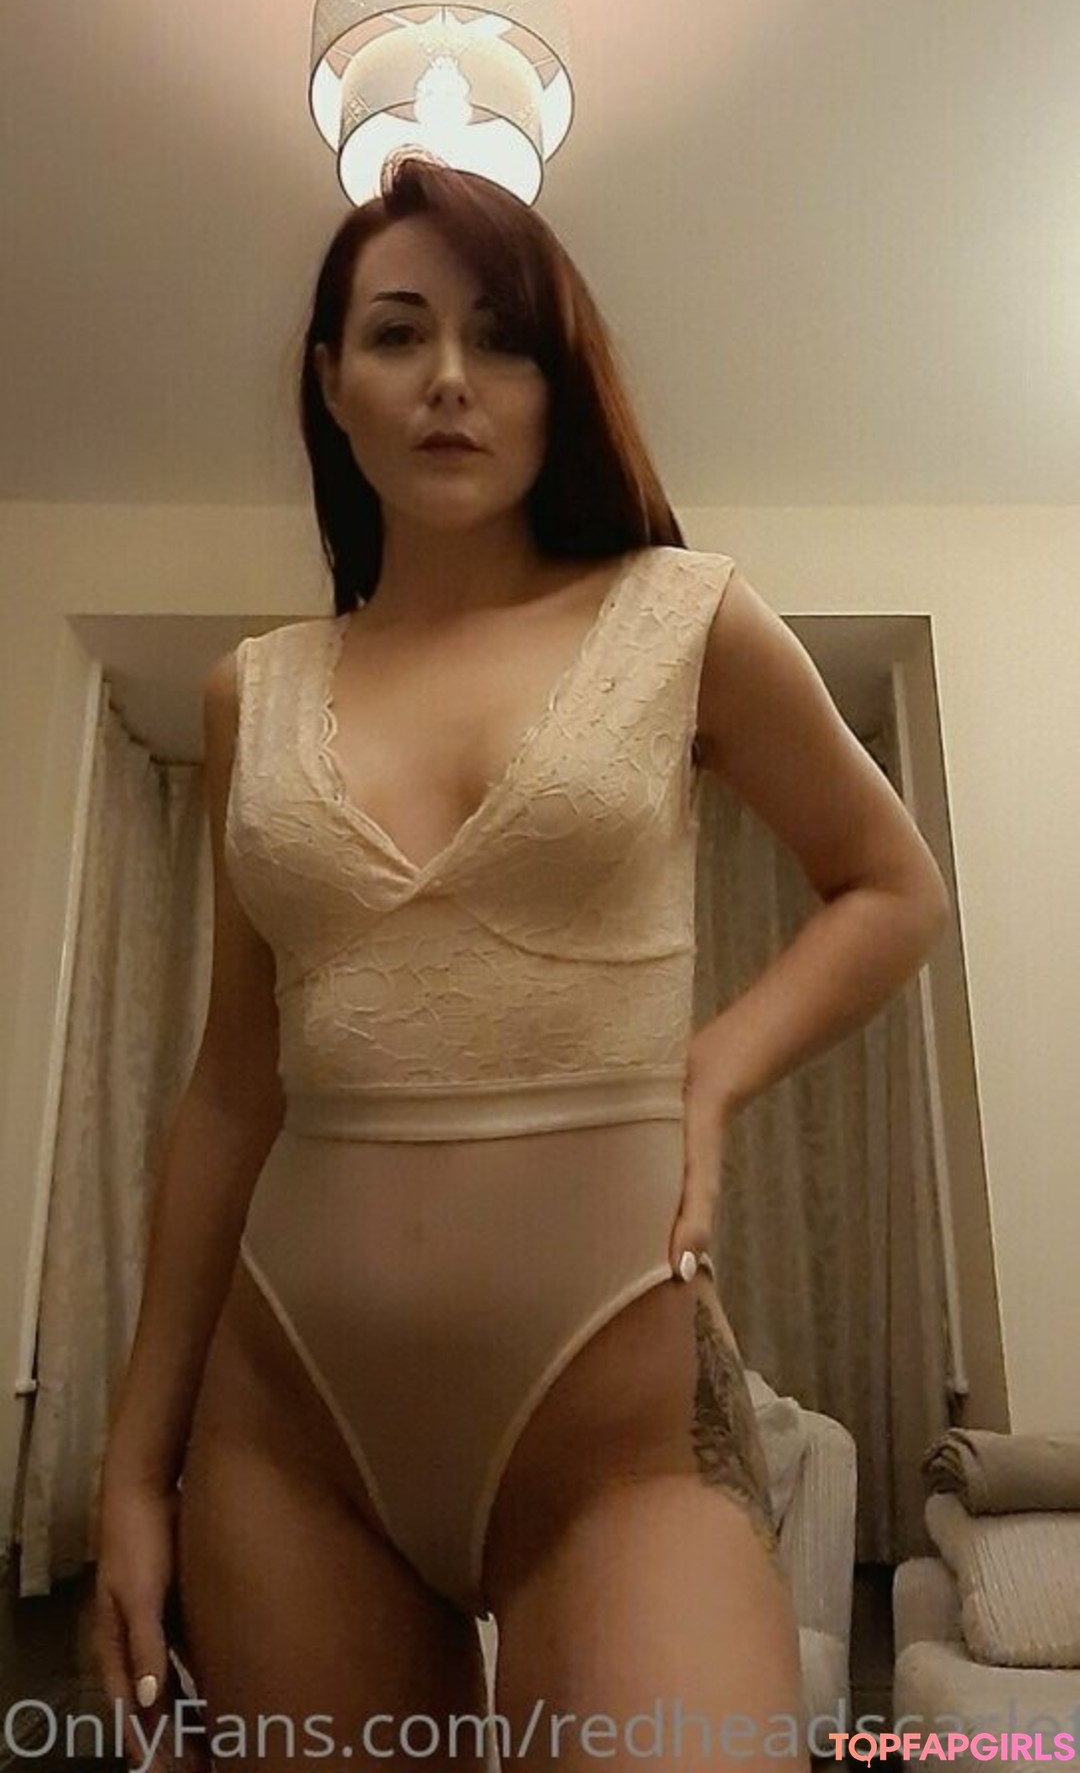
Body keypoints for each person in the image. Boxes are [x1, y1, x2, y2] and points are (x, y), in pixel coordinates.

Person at [93, 152, 949, 1772]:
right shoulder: (249, 693)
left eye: (502, 337)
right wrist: (134, 1470)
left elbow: (890, 887)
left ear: (562, 380)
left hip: (613, 1424)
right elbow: (231, 1087)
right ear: (331, 383)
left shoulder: (684, 618)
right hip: (290, 1431)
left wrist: (713, 1068)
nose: (450, 377)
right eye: (397, 332)